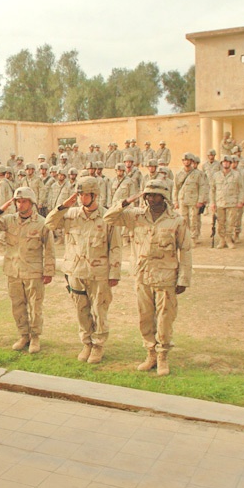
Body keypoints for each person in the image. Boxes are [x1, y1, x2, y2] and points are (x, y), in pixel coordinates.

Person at [104, 180, 192, 376]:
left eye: (156, 195)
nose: (152, 199)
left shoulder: (177, 220)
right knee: (145, 318)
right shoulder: (135, 216)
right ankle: (150, 353)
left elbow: (185, 250)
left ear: (164, 197)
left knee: (165, 319)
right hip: (142, 276)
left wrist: (183, 279)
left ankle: (162, 356)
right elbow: (108, 218)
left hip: (166, 277)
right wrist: (127, 201)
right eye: (148, 195)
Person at [44, 177, 121, 364]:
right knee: (81, 310)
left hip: (99, 274)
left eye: (85, 194)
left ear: (95, 195)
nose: (80, 198)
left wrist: (114, 274)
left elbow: (116, 247)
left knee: (99, 310)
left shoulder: (107, 216)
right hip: (76, 271)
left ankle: (98, 345)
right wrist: (63, 205)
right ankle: (86, 342)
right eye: (79, 194)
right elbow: (49, 223)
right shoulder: (71, 214)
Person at [0, 187, 55, 353]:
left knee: (35, 307)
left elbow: (50, 249)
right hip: (13, 270)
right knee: (17, 306)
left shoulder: (42, 222)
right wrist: (0, 210)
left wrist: (49, 271)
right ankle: (24, 335)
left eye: (24, 201)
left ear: (32, 203)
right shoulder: (8, 220)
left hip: (33, 271)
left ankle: (35, 337)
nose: (20, 205)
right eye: (18, 201)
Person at [209, 155, 244, 249]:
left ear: (230, 163)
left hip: (232, 202)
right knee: (220, 223)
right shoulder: (216, 175)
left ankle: (229, 239)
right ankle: (222, 240)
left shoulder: (236, 175)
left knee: (230, 222)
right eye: (224, 162)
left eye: (227, 162)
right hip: (220, 202)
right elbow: (212, 190)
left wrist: (240, 201)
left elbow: (241, 189)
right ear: (221, 164)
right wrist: (212, 203)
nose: (225, 163)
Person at [174, 153, 209, 245]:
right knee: (183, 220)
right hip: (182, 200)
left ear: (191, 161)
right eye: (184, 160)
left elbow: (202, 187)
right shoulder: (179, 174)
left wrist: (201, 200)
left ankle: (193, 238)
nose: (186, 162)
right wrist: (175, 201)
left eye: (188, 160)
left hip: (194, 200)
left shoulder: (198, 174)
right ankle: (185, 238)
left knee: (193, 219)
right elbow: (176, 188)